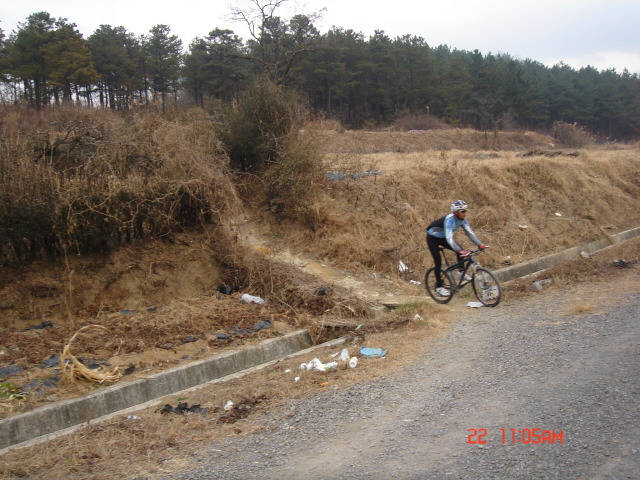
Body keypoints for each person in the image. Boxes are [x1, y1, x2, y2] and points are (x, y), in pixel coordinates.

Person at [426, 200, 487, 296]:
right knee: (438, 261)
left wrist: (479, 244)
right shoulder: (449, 220)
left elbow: (470, 233)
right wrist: (460, 251)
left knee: (460, 249)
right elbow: (449, 238)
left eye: (465, 211)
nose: (465, 213)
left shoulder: (463, 220)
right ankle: (439, 287)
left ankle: (461, 272)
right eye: (462, 211)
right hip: (433, 238)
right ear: (455, 212)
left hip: (443, 237)